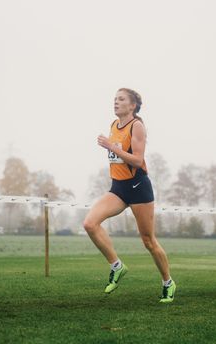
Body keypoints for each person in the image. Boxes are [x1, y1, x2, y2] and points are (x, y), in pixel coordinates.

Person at [83, 88, 175, 303]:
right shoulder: (114, 125)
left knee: (148, 241)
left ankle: (168, 283)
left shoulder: (137, 126)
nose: (116, 102)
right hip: (118, 188)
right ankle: (117, 266)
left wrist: (108, 145)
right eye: (115, 99)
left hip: (138, 187)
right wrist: (110, 145)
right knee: (90, 223)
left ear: (132, 105)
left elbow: (137, 160)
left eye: (121, 99)